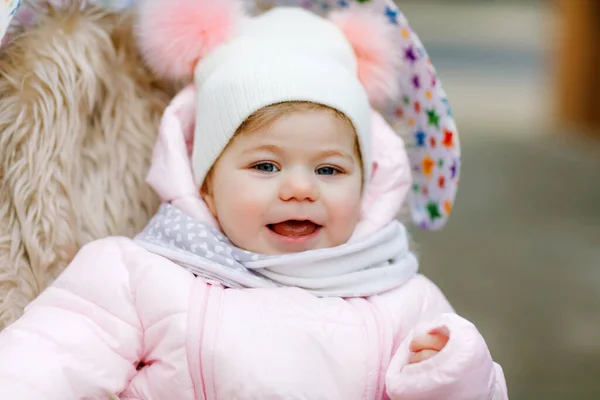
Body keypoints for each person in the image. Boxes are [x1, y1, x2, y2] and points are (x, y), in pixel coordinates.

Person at [0, 1, 508, 398]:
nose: (299, 188)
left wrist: (453, 370)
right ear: (205, 183)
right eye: (265, 166)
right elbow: (48, 357)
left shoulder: (403, 296)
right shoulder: (138, 276)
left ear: (367, 182)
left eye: (329, 169)